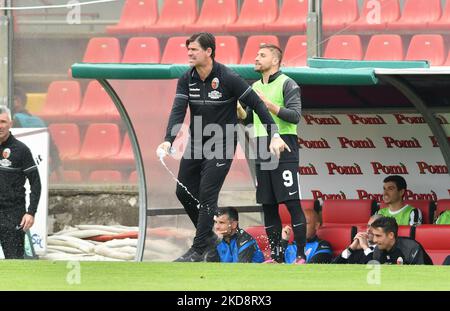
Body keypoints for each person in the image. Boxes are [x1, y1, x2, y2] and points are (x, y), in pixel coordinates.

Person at [157, 33, 289, 262]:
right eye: (188, 49)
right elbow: (178, 110)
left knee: (208, 195)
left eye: (194, 49)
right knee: (182, 191)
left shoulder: (228, 77)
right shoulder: (186, 79)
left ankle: (199, 250)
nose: (189, 53)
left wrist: (274, 134)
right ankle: (208, 238)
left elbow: (257, 105)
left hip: (222, 143)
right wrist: (168, 139)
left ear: (209, 51)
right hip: (196, 143)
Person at [238, 44, 306, 264]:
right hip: (261, 148)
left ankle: (300, 255)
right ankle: (275, 256)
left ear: (275, 61)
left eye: (262, 55)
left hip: (284, 147)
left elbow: (295, 116)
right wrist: (238, 109)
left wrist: (268, 105)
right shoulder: (254, 86)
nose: (256, 58)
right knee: (268, 204)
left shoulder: (288, 83)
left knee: (292, 203)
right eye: (257, 54)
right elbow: (249, 119)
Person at [0, 106, 41, 259]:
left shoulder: (21, 150)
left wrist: (31, 212)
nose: (0, 126)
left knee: (14, 263)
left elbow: (36, 183)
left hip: (13, 215)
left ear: (10, 123)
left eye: (3, 121)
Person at [12, 86, 62, 180]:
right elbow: (54, 152)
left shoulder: (13, 121)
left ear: (17, 101)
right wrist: (62, 181)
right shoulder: (40, 121)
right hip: (41, 174)